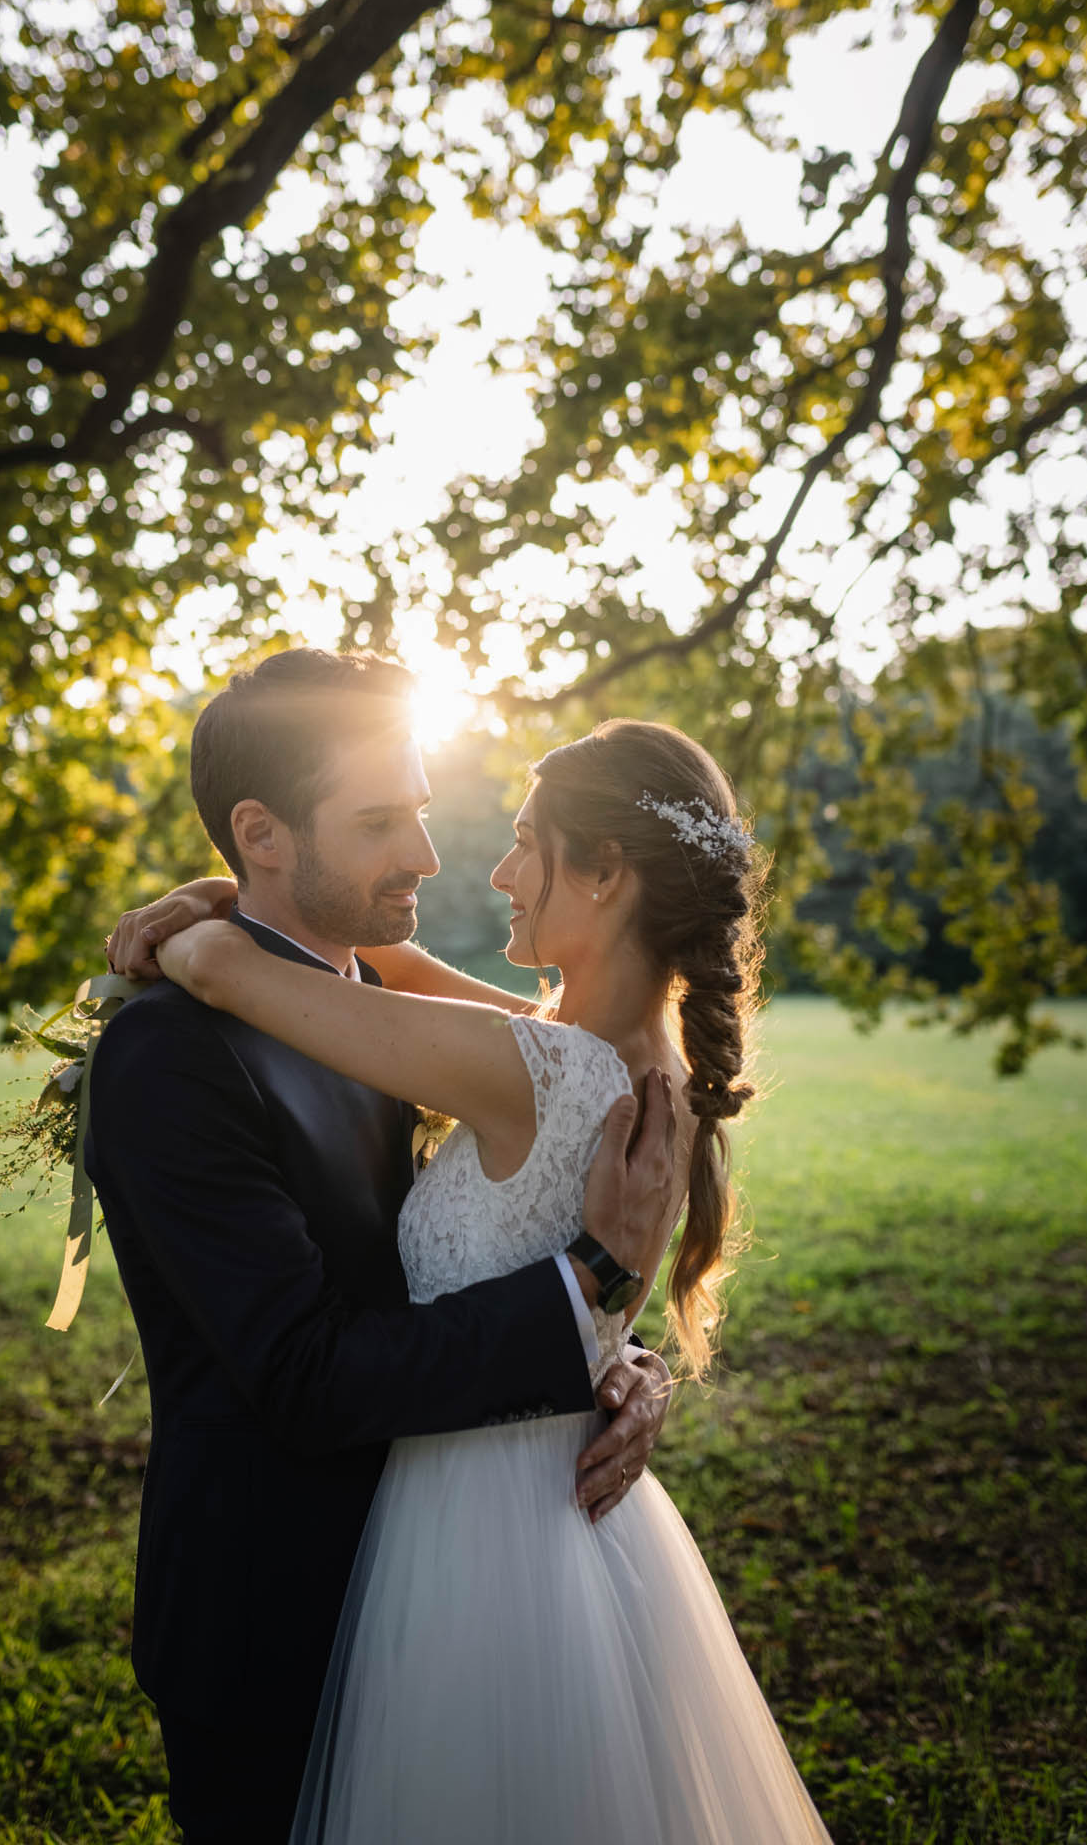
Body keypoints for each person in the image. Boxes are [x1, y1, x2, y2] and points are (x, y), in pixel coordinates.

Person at [150, 710, 833, 1844]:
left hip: (476, 1529)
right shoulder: (602, 1054)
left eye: (527, 841)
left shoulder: (544, 1067)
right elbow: (385, 965)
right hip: (563, 1507)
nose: (496, 870)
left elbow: (238, 976)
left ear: (606, 872)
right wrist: (227, 887)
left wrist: (196, 920)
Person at [87, 649, 677, 1844]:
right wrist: (583, 1300)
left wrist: (615, 1355)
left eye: (417, 808)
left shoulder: (394, 1021)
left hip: (466, 1600)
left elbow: (533, 1178)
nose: (426, 853)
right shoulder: (170, 1054)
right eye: (379, 821)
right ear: (259, 832)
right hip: (277, 1618)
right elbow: (301, 1373)